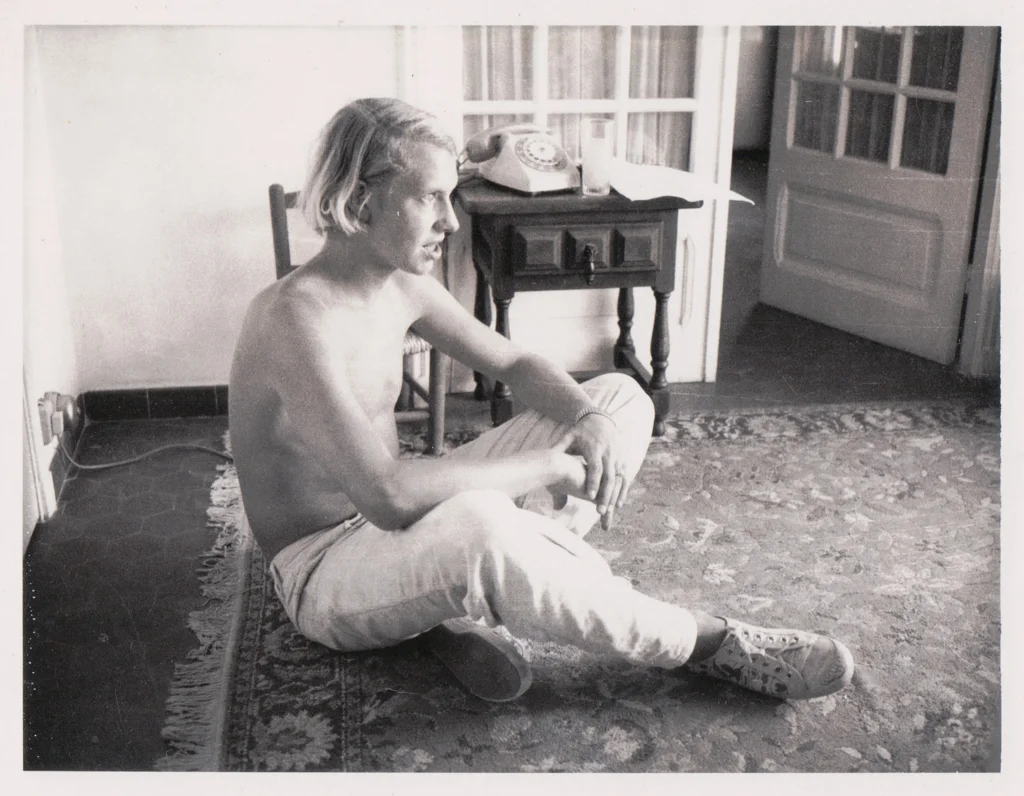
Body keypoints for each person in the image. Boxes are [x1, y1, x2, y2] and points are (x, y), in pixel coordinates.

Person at [229, 98, 855, 703]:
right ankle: (707, 641)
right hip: (322, 570)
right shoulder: (292, 319)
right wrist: (553, 466)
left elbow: (513, 362)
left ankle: (512, 576)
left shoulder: (398, 286)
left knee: (620, 398)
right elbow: (388, 498)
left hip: (404, 527)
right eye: (430, 198)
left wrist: (587, 420)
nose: (450, 222)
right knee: (481, 525)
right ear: (361, 199)